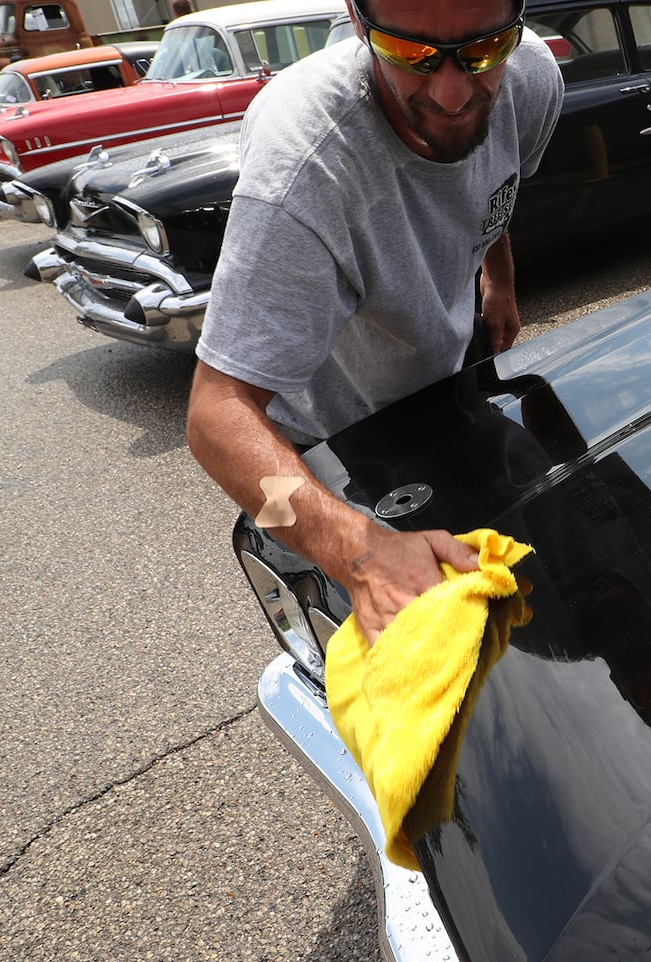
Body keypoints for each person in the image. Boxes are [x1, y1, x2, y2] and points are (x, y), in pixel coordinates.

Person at [185, 0, 564, 646]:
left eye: (481, 50)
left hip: (440, 391)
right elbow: (212, 421)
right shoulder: (303, 171)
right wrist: (350, 551)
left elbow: (496, 190)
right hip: (318, 448)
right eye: (413, 55)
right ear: (359, 24)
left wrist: (497, 277)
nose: (451, 93)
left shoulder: (530, 80)